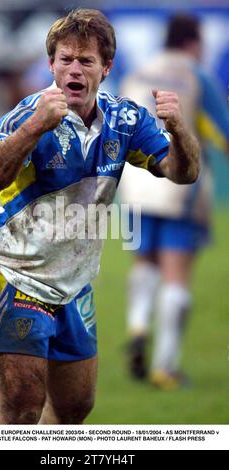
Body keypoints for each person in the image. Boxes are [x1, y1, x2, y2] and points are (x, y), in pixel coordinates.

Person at [0, 8, 200, 424]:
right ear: (51, 65)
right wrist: (33, 129)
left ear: (106, 68)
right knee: (21, 411)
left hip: (74, 284)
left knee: (75, 409)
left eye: (86, 61)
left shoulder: (125, 120)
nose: (74, 69)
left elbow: (183, 173)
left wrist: (179, 129)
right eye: (65, 59)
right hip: (15, 274)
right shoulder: (28, 115)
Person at [119, 13, 229, 390]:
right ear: (194, 43)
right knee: (176, 275)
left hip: (133, 186)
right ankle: (165, 366)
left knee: (143, 262)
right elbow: (224, 134)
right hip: (179, 187)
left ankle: (137, 325)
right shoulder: (196, 76)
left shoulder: (137, 72)